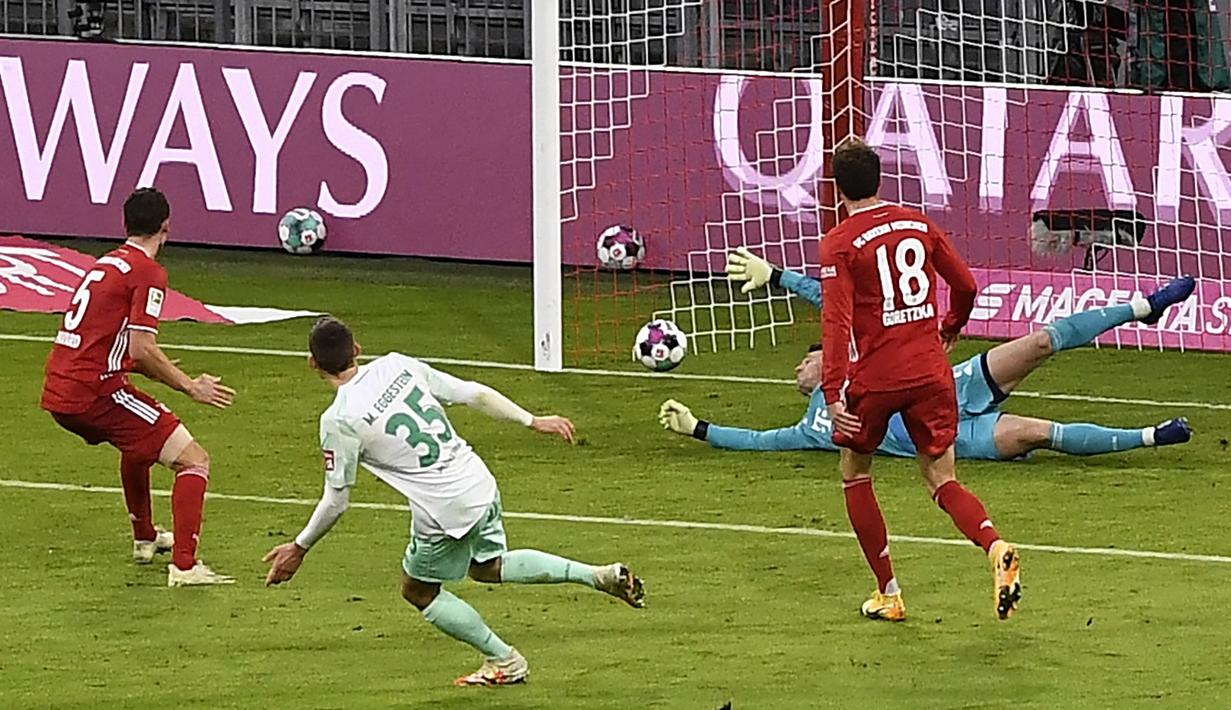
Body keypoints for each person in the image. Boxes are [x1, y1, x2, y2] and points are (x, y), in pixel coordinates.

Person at [263, 317, 645, 687]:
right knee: (487, 566)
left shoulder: (339, 419)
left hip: (444, 511)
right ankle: (595, 575)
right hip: (478, 480)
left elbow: (337, 499)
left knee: (418, 591)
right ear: (358, 349)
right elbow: (471, 392)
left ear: (313, 364)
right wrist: (533, 420)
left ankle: (505, 661)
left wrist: (300, 547)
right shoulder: (398, 364)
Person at [660, 252, 1195, 461]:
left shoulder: (854, 347)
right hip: (945, 436)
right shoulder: (814, 426)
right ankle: (1150, 436)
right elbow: (759, 441)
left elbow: (829, 297)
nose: (796, 373)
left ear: (823, 355)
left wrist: (778, 276)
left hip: (951, 382)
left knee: (1039, 342)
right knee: (1036, 433)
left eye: (802, 362)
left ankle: (1141, 306)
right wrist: (698, 427)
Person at [817, 137, 1017, 622]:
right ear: (880, 178)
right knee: (941, 477)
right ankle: (994, 545)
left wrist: (832, 389)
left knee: (855, 472)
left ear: (836, 189)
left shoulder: (840, 243)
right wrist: (951, 325)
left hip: (878, 376)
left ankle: (888, 593)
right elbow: (966, 285)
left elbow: (836, 321)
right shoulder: (918, 223)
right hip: (931, 369)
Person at [40, 187, 236, 587]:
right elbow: (142, 347)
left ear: (125, 224)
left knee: (138, 443)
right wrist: (189, 386)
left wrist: (144, 367)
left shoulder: (107, 263)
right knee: (194, 460)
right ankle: (185, 566)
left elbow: (109, 341)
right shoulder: (148, 272)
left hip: (61, 388)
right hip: (94, 392)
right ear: (167, 226)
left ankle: (146, 538)